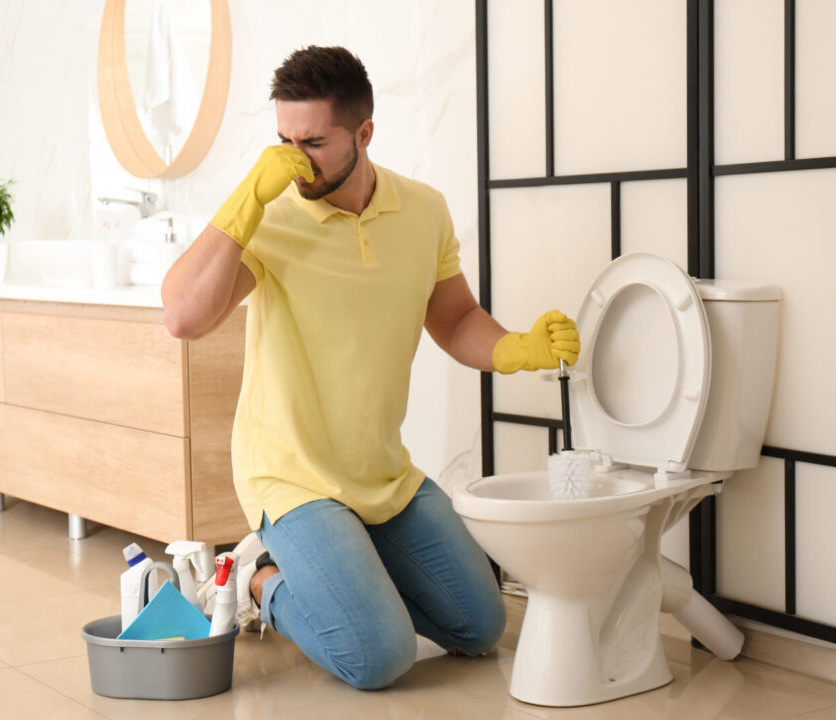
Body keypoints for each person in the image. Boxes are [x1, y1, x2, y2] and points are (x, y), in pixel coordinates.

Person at [161, 45, 580, 691]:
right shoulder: (271, 216)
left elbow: (457, 318)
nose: (295, 158)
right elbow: (183, 317)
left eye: (315, 141)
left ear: (365, 133)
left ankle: (347, 577)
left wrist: (516, 348)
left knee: (481, 626)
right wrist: (249, 193)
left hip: (382, 470)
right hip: (293, 475)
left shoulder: (423, 210)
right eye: (283, 140)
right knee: (378, 658)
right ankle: (261, 578)